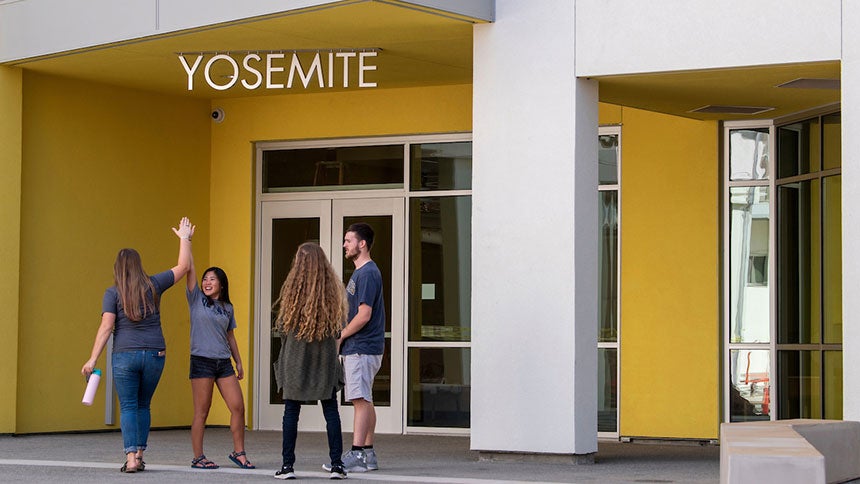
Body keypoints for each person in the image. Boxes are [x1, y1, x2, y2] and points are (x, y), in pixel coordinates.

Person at [81, 217, 195, 473]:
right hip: (156, 353)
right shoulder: (154, 284)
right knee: (143, 405)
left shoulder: (112, 294)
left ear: (118, 269)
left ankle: (131, 458)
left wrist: (92, 359)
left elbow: (107, 328)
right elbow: (184, 265)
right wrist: (184, 238)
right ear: (138, 266)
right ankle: (141, 454)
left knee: (129, 406)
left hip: (125, 356)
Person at [273, 242, 348, 480]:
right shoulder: (333, 293)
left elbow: (283, 327)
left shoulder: (292, 292)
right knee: (331, 410)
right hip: (324, 359)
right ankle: (337, 465)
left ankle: (287, 466)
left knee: (291, 412)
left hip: (296, 359)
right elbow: (338, 329)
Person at [184, 249, 255, 469]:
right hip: (202, 361)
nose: (207, 282)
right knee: (202, 412)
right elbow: (190, 268)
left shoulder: (227, 308)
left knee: (238, 407)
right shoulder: (196, 299)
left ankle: (239, 453)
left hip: (224, 363)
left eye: (212, 279)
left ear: (221, 284)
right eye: (205, 279)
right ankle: (198, 457)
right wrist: (186, 241)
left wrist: (239, 361)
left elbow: (230, 336)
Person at [331, 222, 385, 473]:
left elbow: (364, 314)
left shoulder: (367, 273)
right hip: (362, 347)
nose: (345, 244)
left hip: (361, 347)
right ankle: (368, 453)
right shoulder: (362, 273)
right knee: (366, 399)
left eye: (348, 240)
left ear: (362, 244)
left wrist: (341, 336)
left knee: (360, 399)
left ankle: (358, 453)